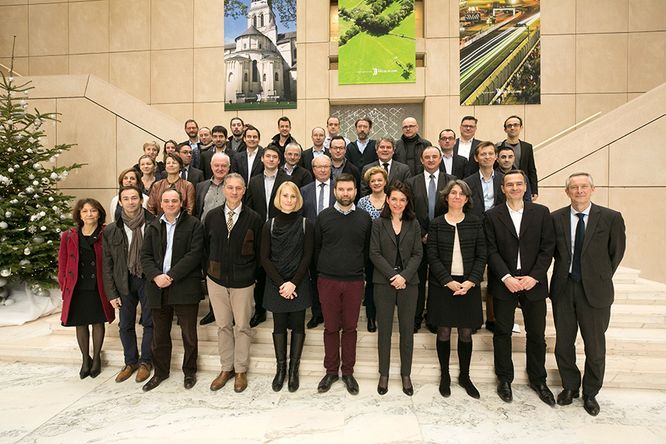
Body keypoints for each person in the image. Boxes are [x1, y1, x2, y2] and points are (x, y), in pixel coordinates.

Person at [551, 173, 626, 416]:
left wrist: (597, 276)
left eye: (584, 186)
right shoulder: (556, 218)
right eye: (574, 187)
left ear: (592, 189)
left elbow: (616, 253)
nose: (579, 191)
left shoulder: (611, 218)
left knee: (594, 346)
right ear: (567, 192)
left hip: (595, 291)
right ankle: (570, 387)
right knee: (563, 343)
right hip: (564, 288)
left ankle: (591, 392)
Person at [484, 170, 556, 406]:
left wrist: (534, 277)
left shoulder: (542, 213)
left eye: (518, 184)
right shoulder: (493, 215)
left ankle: (538, 379)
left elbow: (548, 248)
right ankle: (504, 379)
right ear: (502, 188)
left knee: (536, 334)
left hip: (533, 283)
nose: (514, 188)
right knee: (502, 333)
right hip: (505, 282)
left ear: (525, 187)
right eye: (509, 184)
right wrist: (506, 276)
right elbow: (491, 250)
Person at [140, 188, 204, 392]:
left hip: (184, 285)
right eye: (166, 201)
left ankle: (189, 371)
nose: (170, 204)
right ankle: (160, 372)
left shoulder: (194, 224)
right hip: (157, 286)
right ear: (160, 203)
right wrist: (157, 276)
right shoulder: (152, 225)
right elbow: (145, 256)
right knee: (159, 335)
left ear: (181, 202)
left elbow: (195, 255)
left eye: (174, 201)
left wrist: (171, 275)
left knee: (189, 334)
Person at [204, 173, 263, 393]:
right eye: (230, 188)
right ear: (224, 190)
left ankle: (240, 370)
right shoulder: (212, 216)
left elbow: (259, 252)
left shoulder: (254, 218)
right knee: (222, 326)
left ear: (244, 190)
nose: (234, 192)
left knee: (243, 327)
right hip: (216, 280)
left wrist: (250, 273)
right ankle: (226, 368)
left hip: (243, 282)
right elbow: (204, 248)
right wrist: (208, 272)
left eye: (239, 188)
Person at [427, 180, 486, 399]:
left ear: (467, 199)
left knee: (465, 332)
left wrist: (471, 281)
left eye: (462, 193)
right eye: (453, 193)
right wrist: (447, 280)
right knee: (443, 330)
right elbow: (431, 256)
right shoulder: (436, 224)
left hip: (468, 285)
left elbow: (482, 255)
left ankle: (465, 376)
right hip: (443, 285)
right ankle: (445, 375)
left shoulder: (476, 222)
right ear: (446, 197)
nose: (457, 196)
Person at [315, 173, 372, 395]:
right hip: (327, 279)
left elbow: (367, 250)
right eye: (341, 189)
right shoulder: (324, 217)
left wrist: (361, 274)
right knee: (330, 328)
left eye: (349, 189)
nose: (345, 193)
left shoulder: (364, 218)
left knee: (350, 328)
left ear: (356, 192)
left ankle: (348, 372)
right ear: (335, 191)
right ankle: (331, 371)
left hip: (354, 281)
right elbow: (317, 248)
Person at [369, 181, 423, 396]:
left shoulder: (414, 223)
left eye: (402, 199)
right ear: (388, 200)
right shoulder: (378, 223)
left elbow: (418, 253)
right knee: (384, 330)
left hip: (409, 283)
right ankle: (384, 373)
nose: (398, 203)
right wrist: (393, 275)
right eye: (394, 199)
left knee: (407, 330)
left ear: (407, 202)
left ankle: (406, 374)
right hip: (384, 283)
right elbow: (374, 253)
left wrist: (404, 276)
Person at [261, 182, 313, 392]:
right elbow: (264, 258)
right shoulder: (269, 225)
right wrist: (282, 284)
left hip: (298, 283)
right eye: (285, 196)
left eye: (293, 196)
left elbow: (308, 256)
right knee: (279, 327)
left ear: (298, 199)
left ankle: (293, 370)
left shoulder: (305, 224)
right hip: (276, 285)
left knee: (298, 326)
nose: (289, 200)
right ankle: (280, 369)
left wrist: (293, 283)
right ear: (279, 198)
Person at [102, 185, 155, 384]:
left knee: (150, 322)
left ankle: (146, 362)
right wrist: (111, 293)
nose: (131, 202)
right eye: (126, 198)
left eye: (134, 198)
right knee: (125, 324)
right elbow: (107, 264)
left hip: (147, 279)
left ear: (141, 200)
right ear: (120, 202)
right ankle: (130, 362)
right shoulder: (111, 229)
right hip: (123, 281)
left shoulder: (153, 223)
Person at [58, 198, 114, 379]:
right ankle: (85, 358)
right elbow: (63, 262)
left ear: (99, 213)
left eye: (93, 210)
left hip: (98, 285)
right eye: (85, 211)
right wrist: (63, 284)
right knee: (80, 323)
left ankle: (96, 357)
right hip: (77, 286)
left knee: (98, 321)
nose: (89, 214)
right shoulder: (69, 235)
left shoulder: (107, 233)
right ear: (79, 214)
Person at [407, 146, 455, 333]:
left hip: (443, 239)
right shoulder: (412, 182)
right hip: (418, 239)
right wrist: (422, 234)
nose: (431, 160)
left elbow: (454, 209)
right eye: (427, 157)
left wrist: (435, 233)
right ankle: (415, 318)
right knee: (416, 281)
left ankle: (435, 318)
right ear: (421, 160)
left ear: (440, 159)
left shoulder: (451, 181)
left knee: (438, 280)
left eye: (435, 156)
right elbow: (408, 210)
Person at [246, 145, 290, 327]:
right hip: (259, 233)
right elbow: (248, 207)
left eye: (275, 157)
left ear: (279, 161)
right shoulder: (254, 181)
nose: (271, 159)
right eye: (268, 156)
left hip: (281, 232)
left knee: (282, 271)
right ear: (262, 159)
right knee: (261, 272)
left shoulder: (287, 180)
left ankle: (284, 309)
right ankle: (260, 311)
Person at [300, 155, 335, 329]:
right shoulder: (304, 191)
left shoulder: (339, 189)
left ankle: (331, 314)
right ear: (313, 170)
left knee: (331, 281)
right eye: (319, 167)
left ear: (331, 169)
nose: (322, 170)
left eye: (326, 167)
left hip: (334, 243)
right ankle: (317, 314)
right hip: (311, 243)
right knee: (314, 279)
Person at [357, 166, 388, 332]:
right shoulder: (362, 202)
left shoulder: (391, 200)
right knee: (370, 284)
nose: (376, 183)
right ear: (369, 183)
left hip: (388, 251)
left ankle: (384, 317)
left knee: (385, 286)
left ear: (385, 182)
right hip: (369, 250)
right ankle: (371, 317)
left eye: (379, 180)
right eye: (373, 180)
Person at [496, 115, 538, 200]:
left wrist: (534, 190)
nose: (512, 128)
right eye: (509, 126)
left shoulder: (527, 147)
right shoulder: (498, 147)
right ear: (505, 129)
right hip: (504, 186)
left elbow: (531, 169)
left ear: (521, 127)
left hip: (521, 186)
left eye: (515, 125)